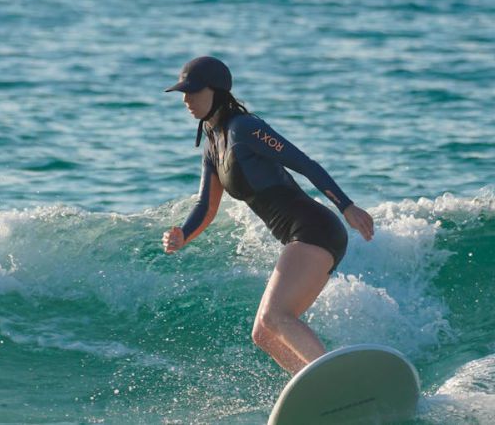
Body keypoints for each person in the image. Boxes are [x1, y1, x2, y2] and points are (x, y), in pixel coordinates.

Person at [161, 56, 375, 375]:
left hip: (314, 229)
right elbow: (206, 207)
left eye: (193, 91)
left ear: (216, 91)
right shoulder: (212, 143)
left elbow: (304, 163)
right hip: (299, 236)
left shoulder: (245, 128)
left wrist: (345, 205)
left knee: (277, 317)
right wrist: (183, 235)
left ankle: (335, 380)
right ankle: (314, 389)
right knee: (263, 333)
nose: (186, 99)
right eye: (183, 92)